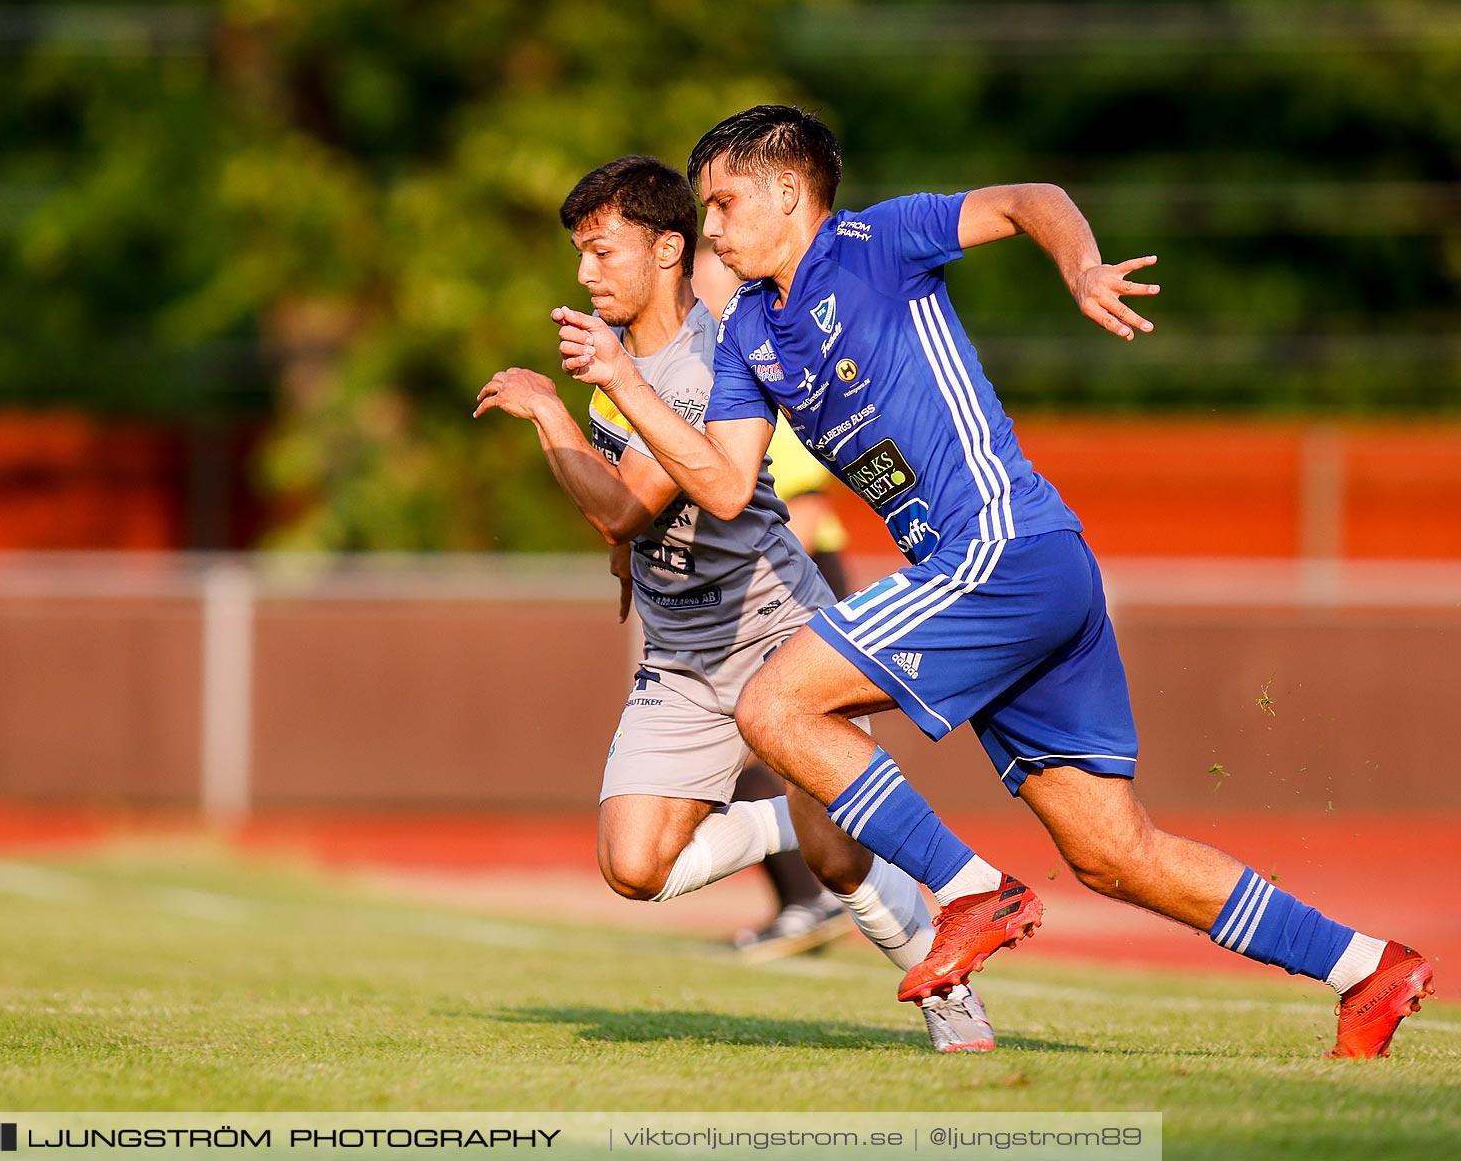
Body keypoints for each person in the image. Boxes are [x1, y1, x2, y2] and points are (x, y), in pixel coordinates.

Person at [553, 108, 1433, 1059]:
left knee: (775, 706)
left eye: (724, 203)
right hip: (1012, 573)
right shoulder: (748, 337)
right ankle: (1367, 967)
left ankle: (971, 889)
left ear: (787, 192)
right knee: (1112, 852)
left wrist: (1082, 266)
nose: (712, 228)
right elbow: (723, 486)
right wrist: (625, 384)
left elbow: (1029, 200)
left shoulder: (874, 241)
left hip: (1004, 547)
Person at [475, 155, 994, 1051]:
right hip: (680, 654)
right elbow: (631, 512)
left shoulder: (705, 360)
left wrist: (547, 414)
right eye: (580, 255)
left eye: (602, 251)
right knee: (633, 867)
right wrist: (629, 557)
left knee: (838, 860)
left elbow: (627, 503)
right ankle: (779, 815)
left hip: (772, 628)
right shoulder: (625, 357)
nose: (585, 272)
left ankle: (953, 1002)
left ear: (667, 248)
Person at [696, 240, 855, 960]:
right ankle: (814, 894)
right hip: (757, 576)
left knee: (765, 738)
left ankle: (821, 894)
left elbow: (804, 498)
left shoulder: (753, 359)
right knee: (751, 744)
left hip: (788, 573)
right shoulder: (718, 359)